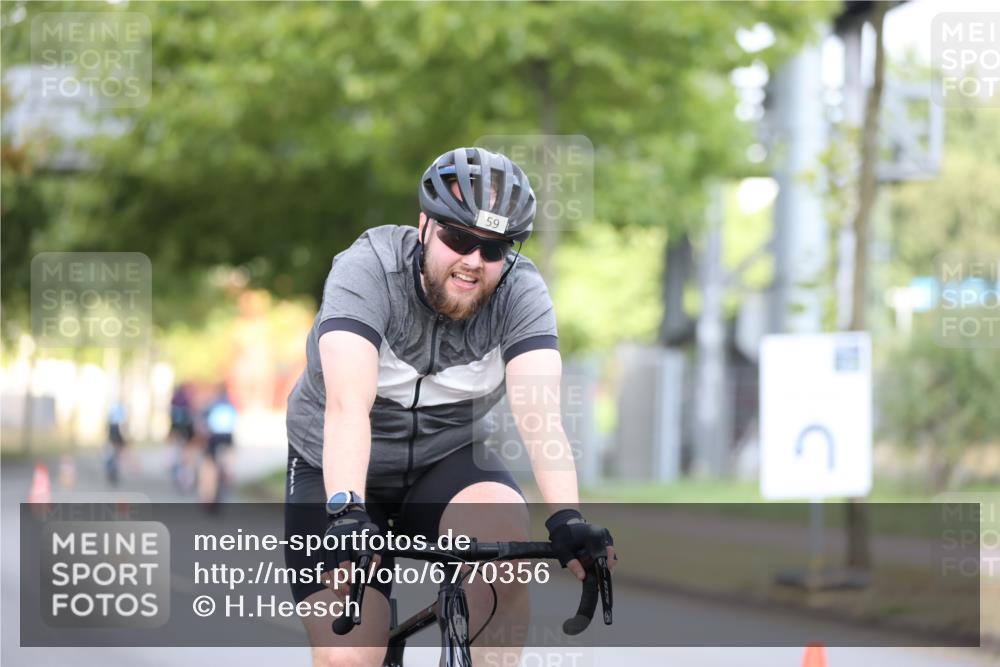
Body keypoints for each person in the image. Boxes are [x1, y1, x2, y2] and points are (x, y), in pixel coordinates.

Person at [284, 147, 616, 666]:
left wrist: (567, 518)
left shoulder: (520, 292)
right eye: (458, 238)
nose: (472, 262)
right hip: (338, 469)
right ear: (424, 225)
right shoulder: (367, 270)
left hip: (446, 461)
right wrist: (347, 509)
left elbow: (540, 415)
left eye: (493, 249)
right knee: (351, 657)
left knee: (505, 531)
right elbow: (348, 408)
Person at [199, 384, 238, 507]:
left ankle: (207, 495)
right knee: (229, 456)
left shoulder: (212, 405)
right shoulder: (231, 405)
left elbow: (204, 423)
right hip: (227, 437)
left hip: (214, 438)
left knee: (209, 465)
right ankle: (228, 473)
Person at [168, 382, 197, 493]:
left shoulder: (174, 399)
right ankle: (187, 473)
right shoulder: (187, 399)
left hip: (176, 428)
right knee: (188, 451)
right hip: (187, 428)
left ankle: (173, 462)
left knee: (176, 447)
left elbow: (171, 414)